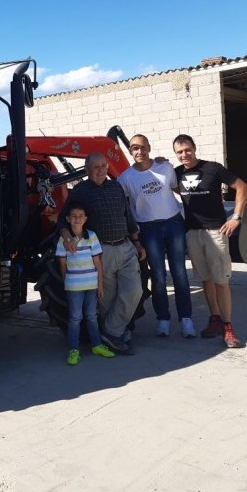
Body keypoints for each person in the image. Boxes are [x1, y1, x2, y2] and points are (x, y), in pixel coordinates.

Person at [58, 152, 146, 354]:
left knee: (134, 290)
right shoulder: (80, 191)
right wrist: (66, 236)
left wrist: (136, 241)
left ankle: (109, 333)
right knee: (107, 298)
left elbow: (128, 216)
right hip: (101, 251)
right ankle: (114, 335)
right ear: (87, 170)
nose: (100, 170)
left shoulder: (116, 187)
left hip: (125, 247)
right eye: (95, 167)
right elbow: (63, 219)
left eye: (103, 166)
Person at [172, 134, 247, 348]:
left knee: (221, 282)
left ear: (194, 149)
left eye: (187, 150)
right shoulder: (176, 173)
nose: (184, 154)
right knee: (205, 280)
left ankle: (228, 326)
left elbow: (242, 187)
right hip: (192, 233)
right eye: (179, 152)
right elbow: (173, 188)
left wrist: (236, 217)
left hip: (216, 231)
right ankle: (214, 319)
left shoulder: (213, 168)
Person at [117, 134, 195, 338]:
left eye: (142, 147)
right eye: (134, 148)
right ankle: (164, 320)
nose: (139, 151)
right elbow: (122, 207)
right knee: (159, 277)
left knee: (180, 274)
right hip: (148, 229)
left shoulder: (165, 167)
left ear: (149, 147)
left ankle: (186, 319)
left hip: (173, 223)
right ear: (130, 151)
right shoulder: (125, 178)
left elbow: (178, 190)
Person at [56, 203, 116, 365]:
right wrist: (66, 281)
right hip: (74, 286)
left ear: (86, 219)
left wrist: (100, 285)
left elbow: (98, 263)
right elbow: (63, 264)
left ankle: (96, 345)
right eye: (74, 216)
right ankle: (74, 350)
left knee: (91, 316)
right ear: (68, 219)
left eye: (80, 216)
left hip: (91, 285)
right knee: (75, 318)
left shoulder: (92, 237)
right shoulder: (63, 241)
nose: (77, 219)